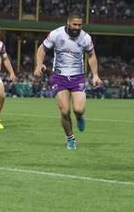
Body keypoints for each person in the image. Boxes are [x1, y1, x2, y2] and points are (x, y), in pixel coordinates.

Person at [34, 13, 102, 150]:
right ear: (68, 23)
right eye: (74, 24)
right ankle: (70, 139)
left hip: (78, 77)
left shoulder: (86, 38)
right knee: (65, 111)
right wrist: (39, 64)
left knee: (78, 109)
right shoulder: (56, 34)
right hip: (59, 77)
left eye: (79, 25)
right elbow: (42, 49)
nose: (77, 27)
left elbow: (91, 55)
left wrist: (95, 75)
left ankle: (79, 117)